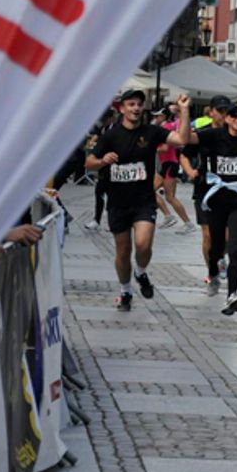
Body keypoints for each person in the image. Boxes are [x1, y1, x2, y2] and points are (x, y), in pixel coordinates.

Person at [85, 91, 192, 311]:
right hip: (118, 202)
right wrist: (102, 160)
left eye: (139, 105)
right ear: (122, 108)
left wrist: (184, 110)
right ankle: (125, 290)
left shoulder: (151, 132)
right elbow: (89, 162)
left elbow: (181, 139)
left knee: (143, 245)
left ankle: (141, 272)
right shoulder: (111, 135)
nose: (135, 108)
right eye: (131, 104)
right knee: (123, 252)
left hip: (143, 201)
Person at [183, 102, 237, 315]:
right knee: (215, 247)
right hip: (215, 199)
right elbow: (185, 141)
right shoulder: (213, 136)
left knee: (235, 249)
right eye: (234, 115)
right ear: (227, 118)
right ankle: (213, 272)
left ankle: (233, 294)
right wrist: (185, 111)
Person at [180, 96, 232, 280]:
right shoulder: (202, 134)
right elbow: (184, 155)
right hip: (204, 189)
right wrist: (190, 171)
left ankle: (221, 256)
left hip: (228, 190)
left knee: (226, 237)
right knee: (208, 235)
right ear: (211, 112)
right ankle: (212, 271)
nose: (224, 114)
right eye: (220, 110)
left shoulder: (235, 134)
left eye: (227, 110)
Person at [155, 105, 195, 234]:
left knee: (169, 197)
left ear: (164, 116)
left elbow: (166, 148)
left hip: (169, 163)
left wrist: (150, 148)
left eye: (158, 116)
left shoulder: (167, 127)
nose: (155, 118)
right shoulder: (166, 126)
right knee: (166, 196)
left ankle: (183, 221)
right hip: (168, 163)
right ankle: (171, 217)